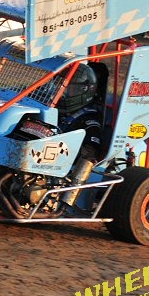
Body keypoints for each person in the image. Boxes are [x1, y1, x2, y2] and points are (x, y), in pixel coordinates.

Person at [56, 63, 103, 207]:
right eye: (62, 88)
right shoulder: (59, 112)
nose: (64, 93)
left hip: (65, 171)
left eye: (69, 89)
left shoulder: (89, 122)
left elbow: (88, 154)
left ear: (84, 90)